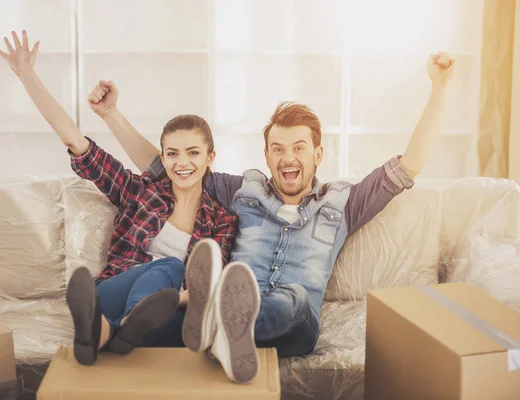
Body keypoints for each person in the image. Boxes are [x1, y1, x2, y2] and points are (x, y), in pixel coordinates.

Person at [90, 52, 456, 381]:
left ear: (318, 155)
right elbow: (171, 167)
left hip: (292, 325)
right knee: (178, 300)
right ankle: (214, 335)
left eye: (299, 148)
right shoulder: (243, 191)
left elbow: (409, 166)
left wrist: (439, 88)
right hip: (224, 304)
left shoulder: (345, 201)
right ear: (266, 156)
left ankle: (219, 331)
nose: (288, 158)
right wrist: (111, 115)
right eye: (278, 149)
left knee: (293, 297)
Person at [0, 31, 254, 372]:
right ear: (163, 156)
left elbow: (209, 286)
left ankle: (106, 335)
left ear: (210, 157)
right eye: (172, 153)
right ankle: (124, 322)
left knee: (184, 323)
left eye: (193, 152)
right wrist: (27, 75)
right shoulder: (140, 192)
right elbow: (76, 141)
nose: (182, 163)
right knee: (171, 267)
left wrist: (175, 300)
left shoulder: (221, 219)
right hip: (113, 295)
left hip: (169, 314)